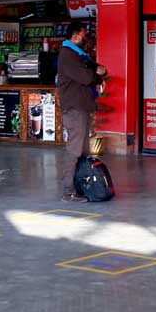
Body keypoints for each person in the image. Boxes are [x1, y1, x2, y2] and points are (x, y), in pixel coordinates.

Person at [57, 22, 107, 202]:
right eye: (84, 35)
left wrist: (97, 71)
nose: (85, 38)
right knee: (75, 150)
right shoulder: (67, 55)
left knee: (83, 150)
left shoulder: (79, 55)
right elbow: (85, 77)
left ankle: (79, 186)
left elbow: (96, 71)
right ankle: (68, 191)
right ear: (76, 35)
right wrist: (96, 72)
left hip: (82, 107)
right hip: (74, 109)